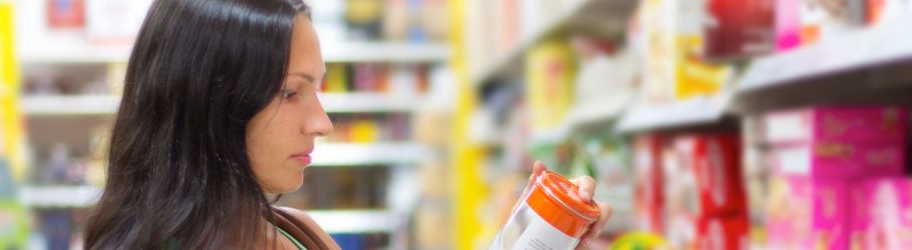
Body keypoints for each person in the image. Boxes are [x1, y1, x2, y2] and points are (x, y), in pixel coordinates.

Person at [83, 0, 612, 249]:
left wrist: (536, 240)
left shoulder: (290, 231)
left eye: (319, 88)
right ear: (207, 101)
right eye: (290, 92)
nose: (322, 122)